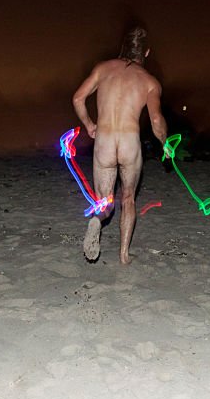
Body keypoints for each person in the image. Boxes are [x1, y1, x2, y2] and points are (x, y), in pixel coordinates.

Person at [72, 27, 168, 264]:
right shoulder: (149, 81)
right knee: (128, 199)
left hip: (104, 140)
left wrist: (89, 124)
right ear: (146, 52)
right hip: (129, 143)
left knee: (104, 202)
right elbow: (156, 120)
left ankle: (97, 220)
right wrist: (165, 143)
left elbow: (77, 98)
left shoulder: (102, 69)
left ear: (122, 47)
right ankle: (124, 256)